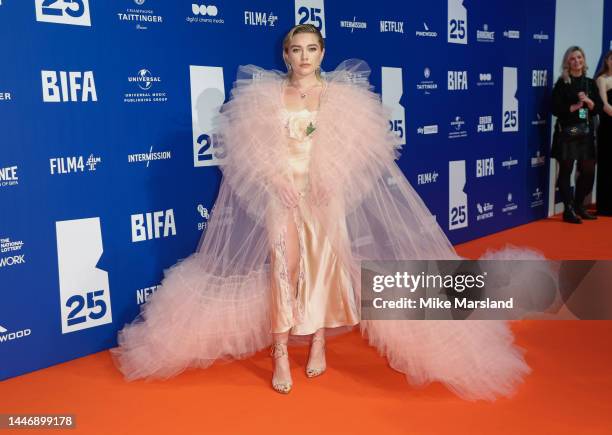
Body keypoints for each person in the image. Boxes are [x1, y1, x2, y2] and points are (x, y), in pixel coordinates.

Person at [110, 24, 542, 401]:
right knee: (284, 268)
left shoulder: (341, 97)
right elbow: (248, 148)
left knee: (324, 269)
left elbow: (360, 148)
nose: (303, 57)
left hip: (323, 195)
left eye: (311, 49)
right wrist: (273, 178)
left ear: (322, 53)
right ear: (285, 55)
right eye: (296, 50)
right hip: (282, 195)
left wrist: (329, 178)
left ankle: (318, 342)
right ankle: (280, 352)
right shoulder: (264, 96)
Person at [551, 46, 603, 223]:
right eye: (572, 58)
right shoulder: (562, 82)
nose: (577, 61)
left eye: (579, 57)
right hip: (568, 131)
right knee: (566, 170)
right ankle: (568, 209)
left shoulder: (590, 83)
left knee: (588, 170)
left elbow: (597, 109)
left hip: (585, 132)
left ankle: (579, 205)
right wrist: (573, 107)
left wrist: (588, 102)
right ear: (567, 62)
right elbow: (554, 108)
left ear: (584, 59)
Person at [595, 50, 612, 216]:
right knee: (607, 165)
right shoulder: (602, 79)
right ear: (607, 61)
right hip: (608, 128)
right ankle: (606, 205)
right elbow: (604, 105)